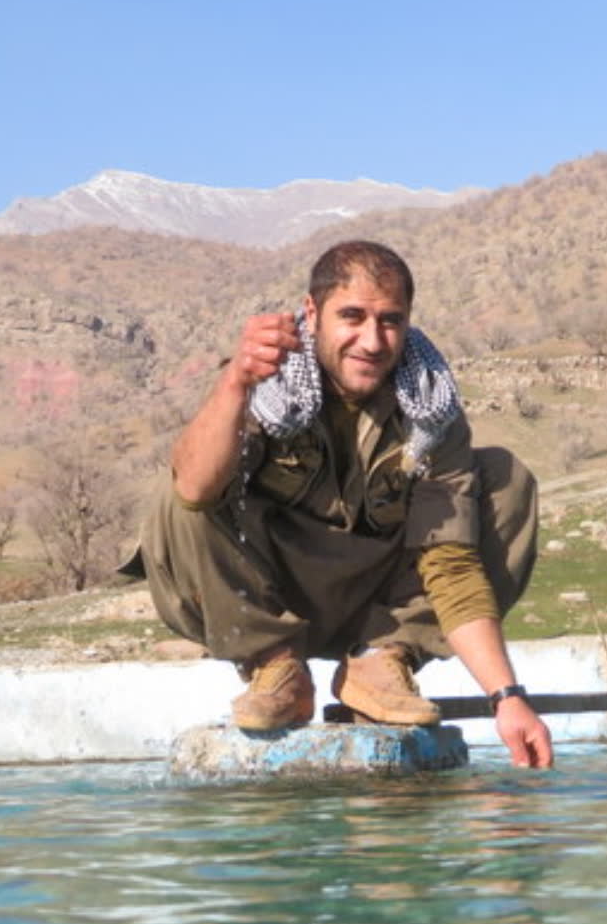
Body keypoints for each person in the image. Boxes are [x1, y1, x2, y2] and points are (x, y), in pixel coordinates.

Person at [131, 240, 553, 768]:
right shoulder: (265, 382)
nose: (372, 341)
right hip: (271, 589)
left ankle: (381, 662)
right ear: (312, 313)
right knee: (185, 492)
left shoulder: (432, 409)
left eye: (390, 321)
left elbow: (451, 564)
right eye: (352, 317)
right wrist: (236, 381)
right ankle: (275, 664)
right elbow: (195, 489)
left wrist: (507, 698)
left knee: (505, 481)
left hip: (376, 599)